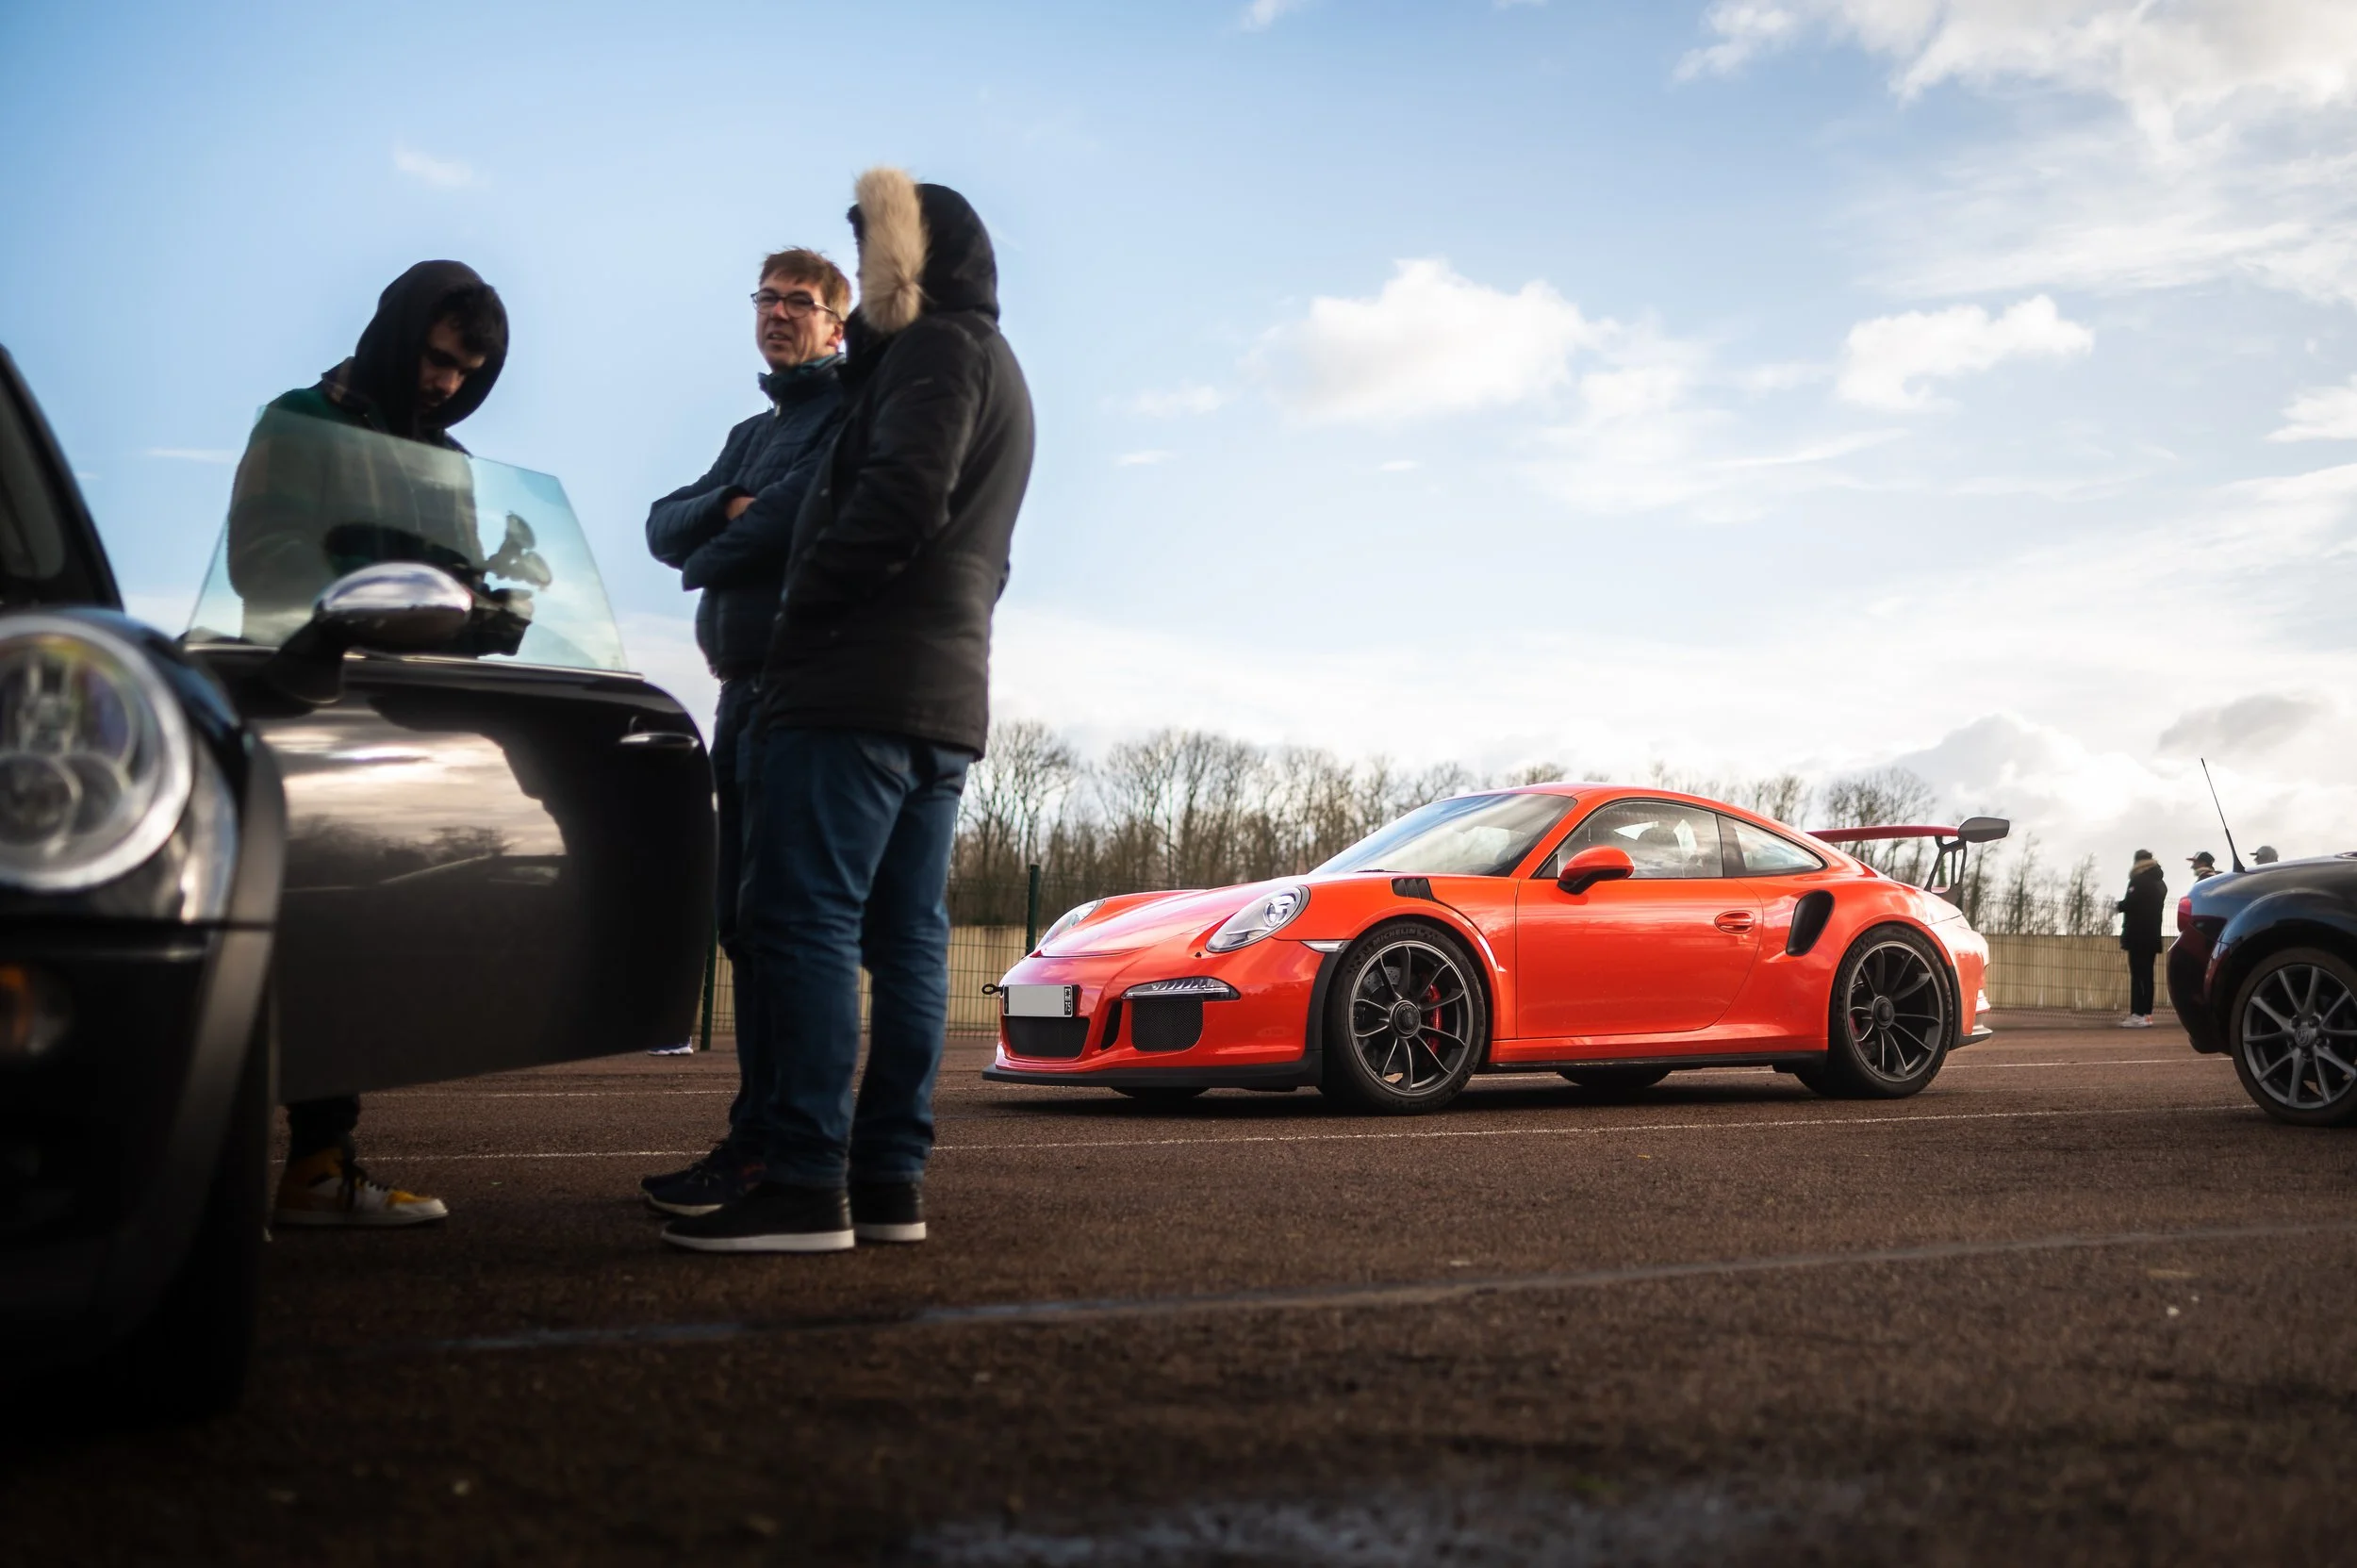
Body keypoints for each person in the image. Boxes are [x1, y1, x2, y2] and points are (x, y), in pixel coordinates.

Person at [664, 168, 1035, 1253]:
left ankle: (806, 1180)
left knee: (804, 921)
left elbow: (898, 501)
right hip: (938, 695)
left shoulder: (934, 351)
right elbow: (989, 557)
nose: (869, 278)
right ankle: (884, 1182)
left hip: (855, 690)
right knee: (909, 941)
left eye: (876, 256)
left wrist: (804, 614)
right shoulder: (993, 365)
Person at [234, 260, 509, 1227]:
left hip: (398, 720)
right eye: (437, 359)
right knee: (263, 932)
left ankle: (316, 1164)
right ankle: (194, 1166)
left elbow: (464, 588)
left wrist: (497, 613)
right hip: (298, 698)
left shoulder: (456, 464)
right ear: (397, 332)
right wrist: (370, 588)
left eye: (467, 372)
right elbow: (259, 557)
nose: (446, 383)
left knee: (349, 935)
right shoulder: (300, 418)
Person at [638, 248, 850, 1217]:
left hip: (798, 691)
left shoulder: (845, 414)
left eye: (799, 303)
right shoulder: (747, 434)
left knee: (783, 927)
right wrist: (721, 512)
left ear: (836, 326)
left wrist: (709, 543)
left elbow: (783, 528)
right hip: (737, 695)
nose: (777, 315)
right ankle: (752, 1135)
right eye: (765, 299)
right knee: (740, 923)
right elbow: (657, 522)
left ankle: (782, 1146)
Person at [2116, 849, 2167, 1029]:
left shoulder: (2139, 880)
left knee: (2138, 976)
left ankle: (2138, 1014)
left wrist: (2116, 906)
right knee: (2147, 976)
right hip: (2152, 935)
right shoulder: (2160, 883)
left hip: (2138, 935)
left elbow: (2130, 904)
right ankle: (2147, 1014)